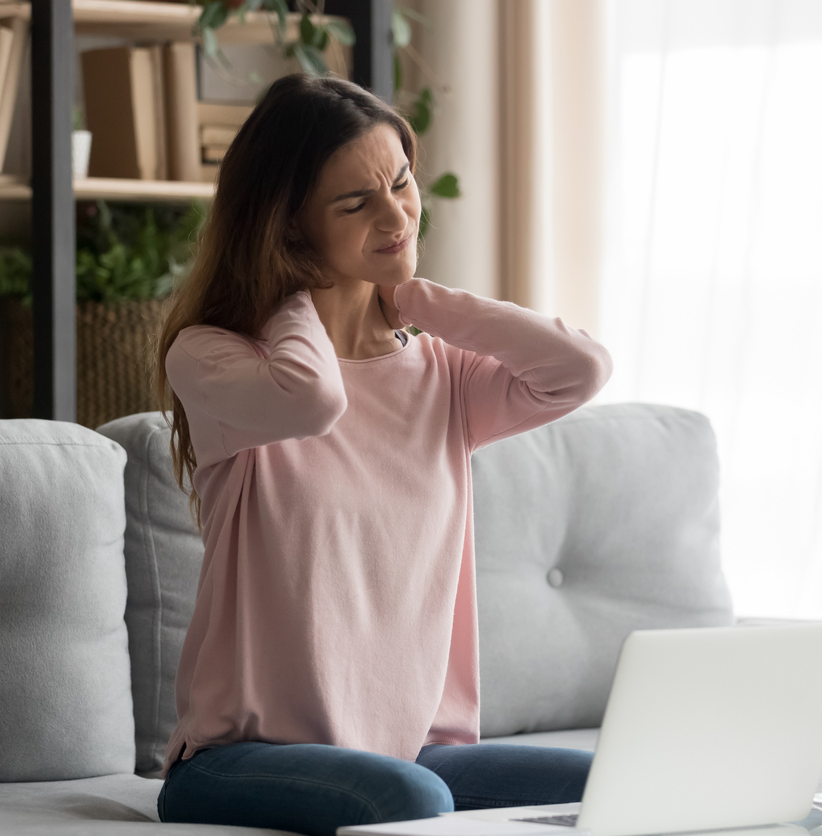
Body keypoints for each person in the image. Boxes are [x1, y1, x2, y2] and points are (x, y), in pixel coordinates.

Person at [154, 73, 612, 836]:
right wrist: (301, 293)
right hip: (239, 761)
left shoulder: (445, 378)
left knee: (622, 780)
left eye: (400, 183)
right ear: (291, 228)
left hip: (416, 756)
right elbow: (313, 399)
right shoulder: (214, 359)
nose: (397, 214)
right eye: (355, 203)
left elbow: (580, 369)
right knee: (413, 805)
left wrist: (417, 297)